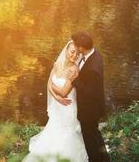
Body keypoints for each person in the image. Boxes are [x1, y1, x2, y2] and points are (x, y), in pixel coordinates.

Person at [23, 41, 88, 162]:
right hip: (58, 105)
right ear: (67, 50)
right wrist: (56, 97)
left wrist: (55, 91)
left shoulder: (74, 70)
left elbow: (64, 92)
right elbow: (48, 83)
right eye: (72, 52)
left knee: (66, 132)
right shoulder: (57, 64)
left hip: (67, 106)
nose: (74, 55)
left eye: (77, 53)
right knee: (54, 127)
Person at [66, 31, 111, 162]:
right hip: (94, 107)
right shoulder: (94, 53)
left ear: (82, 48)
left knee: (90, 140)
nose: (75, 47)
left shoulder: (93, 68)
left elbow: (89, 92)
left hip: (90, 110)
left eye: (76, 45)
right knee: (95, 134)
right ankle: (105, 158)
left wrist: (75, 80)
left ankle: (95, 159)